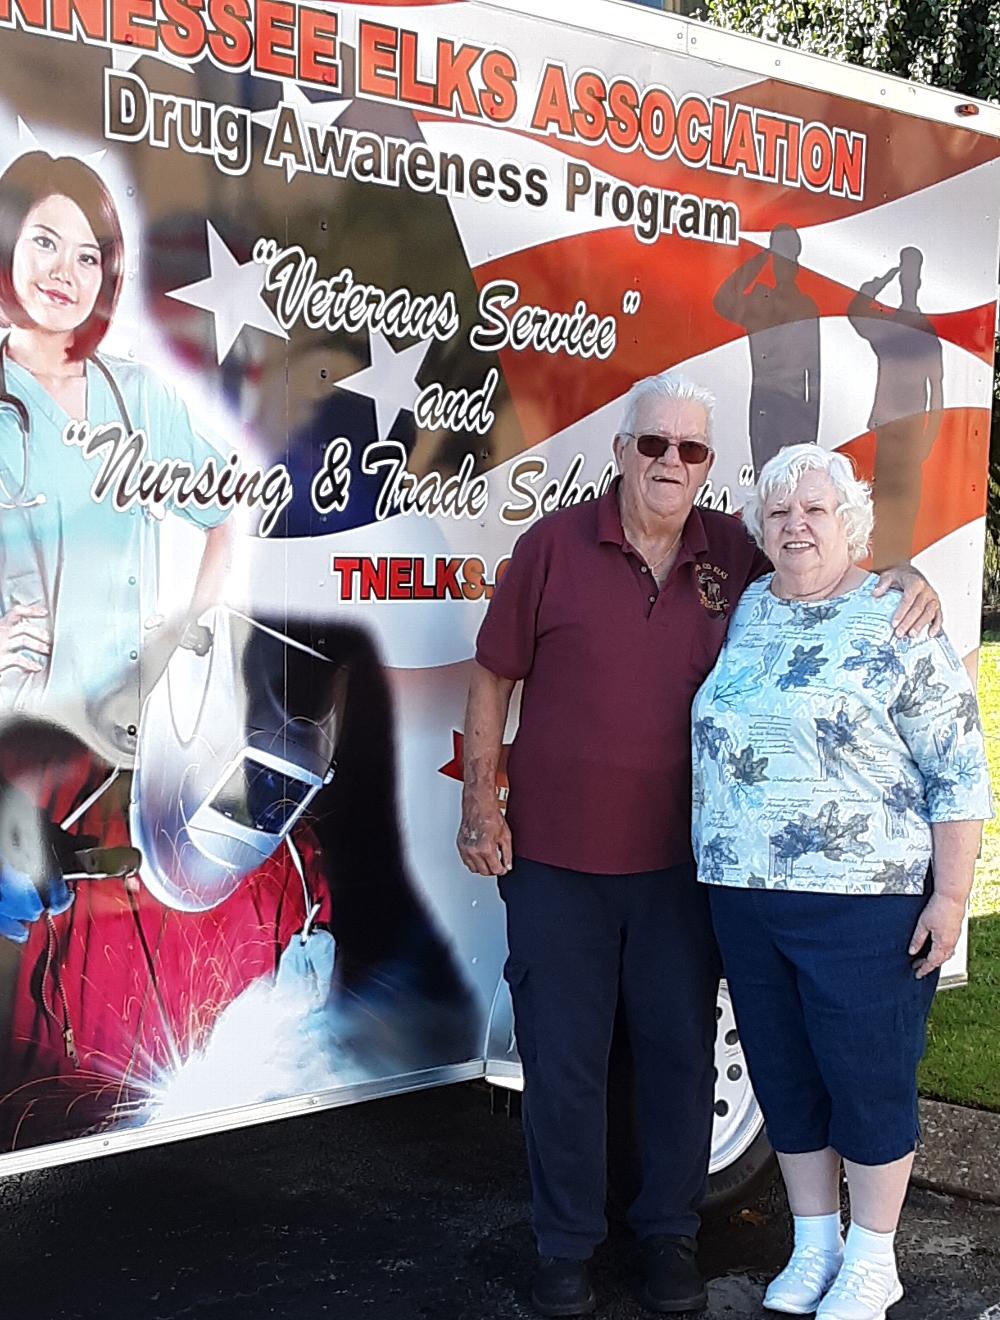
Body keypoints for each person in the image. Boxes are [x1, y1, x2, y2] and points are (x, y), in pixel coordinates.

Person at [457, 373, 939, 1318]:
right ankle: (564, 1250)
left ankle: (669, 1241)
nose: (670, 463)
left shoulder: (733, 551)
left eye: (692, 451)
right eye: (653, 445)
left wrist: (905, 573)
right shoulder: (552, 548)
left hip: (686, 869)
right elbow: (492, 676)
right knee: (564, 1062)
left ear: (709, 467)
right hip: (555, 862)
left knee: (678, 1059)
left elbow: (824, 568)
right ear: (620, 452)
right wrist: (483, 800)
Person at [691, 444, 990, 1320]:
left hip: (867, 902)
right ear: (761, 529)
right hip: (746, 896)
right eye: (781, 514)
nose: (797, 527)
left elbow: (958, 765)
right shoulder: (746, 609)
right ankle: (815, 1242)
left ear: (850, 523)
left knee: (867, 1076)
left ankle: (875, 1257)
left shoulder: (895, 612)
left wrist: (950, 894)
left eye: (817, 511)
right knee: (783, 1075)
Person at [0, 150, 232, 765]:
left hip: (125, 746)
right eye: (45, 243)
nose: (64, 274)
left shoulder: (140, 399)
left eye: (87, 257)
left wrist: (187, 622)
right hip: (15, 743)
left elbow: (226, 512)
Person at [848, 247, 943, 569]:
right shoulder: (889, 327)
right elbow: (855, 310)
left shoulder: (927, 333)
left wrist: (928, 441)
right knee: (882, 506)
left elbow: (937, 390)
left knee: (905, 507)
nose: (908, 281)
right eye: (905, 274)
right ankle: (881, 572)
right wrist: (884, 278)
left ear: (919, 280)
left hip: (912, 432)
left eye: (912, 274)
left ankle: (900, 569)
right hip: (888, 429)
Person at [713, 224, 821, 475]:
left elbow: (814, 374)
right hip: (764, 406)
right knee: (763, 488)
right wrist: (762, 256)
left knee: (793, 486)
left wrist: (811, 432)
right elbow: (723, 299)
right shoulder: (760, 303)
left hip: (795, 411)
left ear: (797, 260)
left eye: (788, 256)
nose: (784, 264)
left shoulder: (806, 307)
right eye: (778, 257)